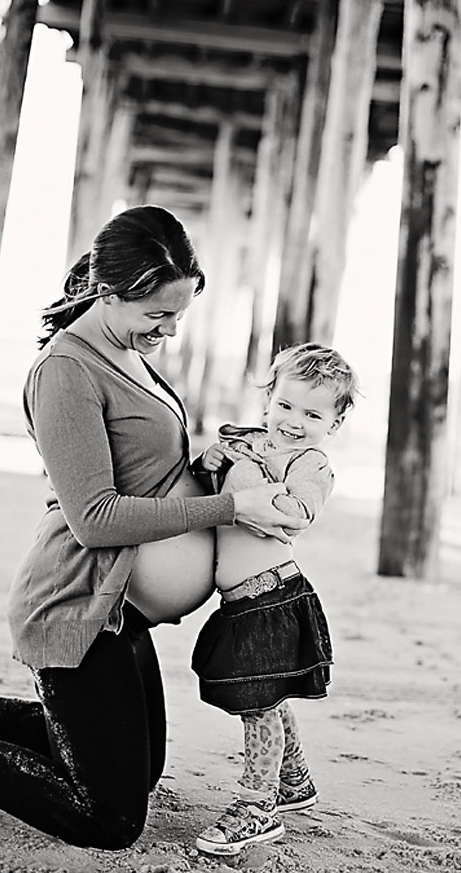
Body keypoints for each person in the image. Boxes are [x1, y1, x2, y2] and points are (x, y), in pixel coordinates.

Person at [0, 206, 310, 850]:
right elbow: (95, 517)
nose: (169, 330)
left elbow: (146, 471)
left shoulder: (126, 351)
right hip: (79, 605)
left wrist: (210, 463)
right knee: (109, 818)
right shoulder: (66, 371)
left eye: (180, 314)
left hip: (125, 610)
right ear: (110, 294)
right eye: (158, 315)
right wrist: (229, 509)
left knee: (143, 773)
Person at [188, 342, 359, 856]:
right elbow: (208, 493)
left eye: (312, 413)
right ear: (268, 399)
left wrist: (248, 475)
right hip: (243, 601)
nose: (293, 421)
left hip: (274, 598)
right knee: (268, 693)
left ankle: (256, 804)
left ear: (335, 420)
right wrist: (210, 461)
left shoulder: (312, 463)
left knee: (258, 706)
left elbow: (296, 513)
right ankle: (295, 781)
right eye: (285, 405)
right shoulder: (252, 444)